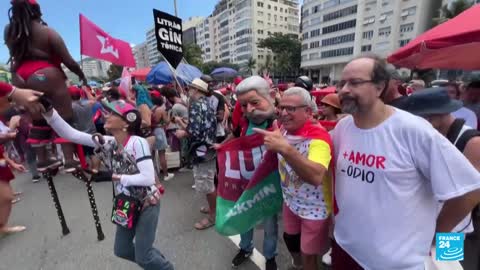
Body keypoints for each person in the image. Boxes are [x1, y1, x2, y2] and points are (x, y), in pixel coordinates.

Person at [331, 54, 480, 270]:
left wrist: (437, 235)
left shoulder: (423, 132)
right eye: (341, 83)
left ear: (380, 87)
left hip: (443, 237)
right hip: (347, 249)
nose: (343, 89)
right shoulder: (344, 129)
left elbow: (471, 190)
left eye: (354, 82)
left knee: (448, 264)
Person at [43, 99, 173, 270]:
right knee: (122, 249)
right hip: (126, 203)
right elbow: (71, 134)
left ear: (127, 122)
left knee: (144, 256)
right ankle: (154, 261)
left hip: (147, 203)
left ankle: (164, 267)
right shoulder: (110, 142)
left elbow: (148, 178)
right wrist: (49, 112)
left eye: (113, 113)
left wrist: (113, 176)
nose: (107, 115)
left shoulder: (137, 143)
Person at [254, 87, 333, 270]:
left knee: (308, 255)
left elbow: (315, 176)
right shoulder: (284, 130)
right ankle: (297, 264)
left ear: (308, 111)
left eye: (291, 109)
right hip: (290, 202)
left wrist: (285, 149)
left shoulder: (319, 139)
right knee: (290, 240)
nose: (284, 113)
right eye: (282, 108)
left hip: (315, 208)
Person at [5, 0, 87, 172]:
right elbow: (68, 60)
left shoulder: (10, 32)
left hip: (19, 77)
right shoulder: (47, 32)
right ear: (36, 11)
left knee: (37, 119)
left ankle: (43, 159)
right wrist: (80, 74)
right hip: (45, 74)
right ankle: (69, 159)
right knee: (64, 116)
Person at [405, 87, 480, 270]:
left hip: (452, 228)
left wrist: (438, 231)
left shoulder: (472, 142)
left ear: (436, 116)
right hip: (425, 225)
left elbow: (469, 196)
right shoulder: (430, 136)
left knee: (447, 266)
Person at [217, 76, 279, 270]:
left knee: (270, 222)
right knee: (244, 215)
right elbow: (235, 136)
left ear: (269, 97)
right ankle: (245, 247)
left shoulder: (278, 124)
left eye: (254, 102)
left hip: (268, 183)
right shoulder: (244, 123)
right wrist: (222, 146)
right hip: (245, 181)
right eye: (244, 105)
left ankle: (270, 256)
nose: (249, 109)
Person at [174, 79, 217, 230]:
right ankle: (213, 209)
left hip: (201, 151)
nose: (188, 90)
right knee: (208, 182)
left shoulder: (196, 105)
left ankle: (213, 216)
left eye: (191, 88)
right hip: (208, 149)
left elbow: (195, 132)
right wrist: (185, 125)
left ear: (197, 90)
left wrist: (183, 132)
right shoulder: (207, 104)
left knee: (207, 184)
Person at [150, 90, 173, 181]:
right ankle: (166, 174)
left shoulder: (150, 109)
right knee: (162, 154)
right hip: (159, 131)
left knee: (151, 154)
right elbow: (167, 121)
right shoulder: (161, 110)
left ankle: (152, 175)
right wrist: (169, 115)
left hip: (151, 131)